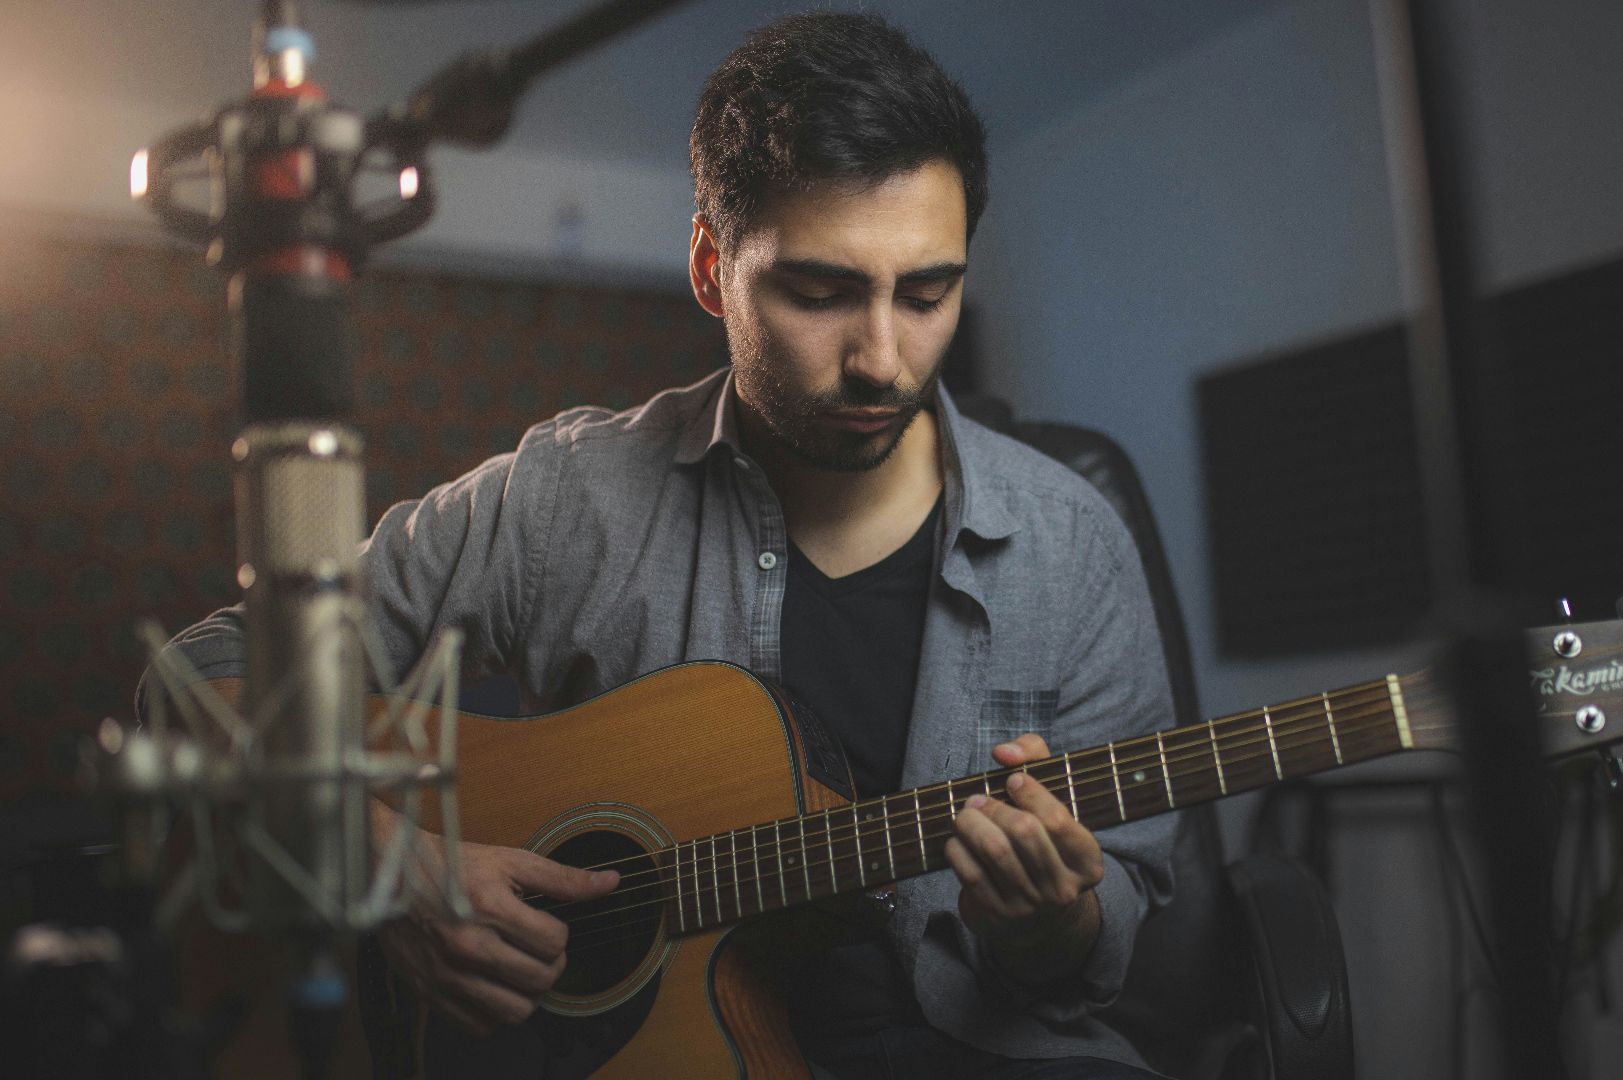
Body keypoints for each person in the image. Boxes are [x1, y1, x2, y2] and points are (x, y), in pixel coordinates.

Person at [151, 11, 1176, 1078]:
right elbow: (204, 672)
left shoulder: (1075, 544)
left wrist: (1053, 923)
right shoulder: (569, 497)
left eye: (927, 293)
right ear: (708, 267)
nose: (883, 357)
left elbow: (1120, 922)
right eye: (820, 293)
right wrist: (380, 863)